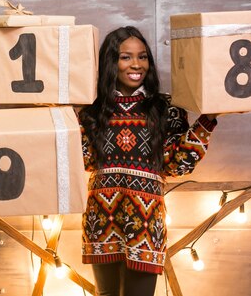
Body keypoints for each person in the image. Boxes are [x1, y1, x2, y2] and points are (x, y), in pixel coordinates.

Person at [78, 26, 218, 296]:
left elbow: (177, 165)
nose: (136, 64)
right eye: (125, 57)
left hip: (146, 225)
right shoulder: (92, 109)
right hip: (101, 224)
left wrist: (208, 121)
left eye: (143, 57)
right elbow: (85, 160)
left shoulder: (166, 108)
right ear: (110, 62)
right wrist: (62, 116)